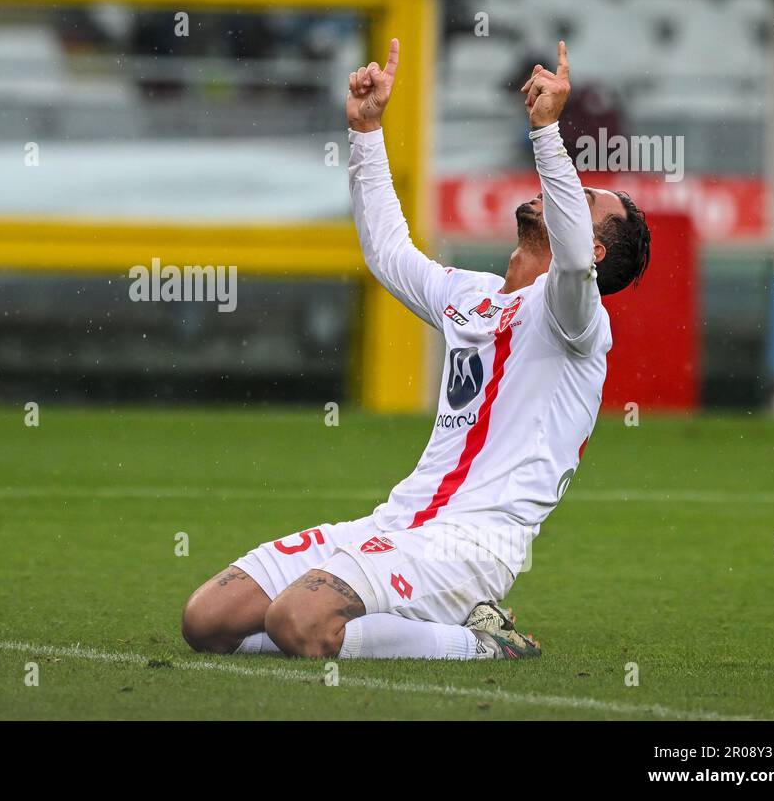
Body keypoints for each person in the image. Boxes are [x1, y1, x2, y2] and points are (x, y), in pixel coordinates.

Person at [181, 39, 651, 660]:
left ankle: (481, 643)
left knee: (299, 620)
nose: (562, 191)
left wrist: (547, 132)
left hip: (469, 548)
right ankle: (344, 628)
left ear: (593, 255)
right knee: (207, 620)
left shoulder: (577, 318)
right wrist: (367, 131)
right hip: (396, 522)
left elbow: (567, 253)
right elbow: (389, 254)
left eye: (583, 199)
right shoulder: (474, 296)